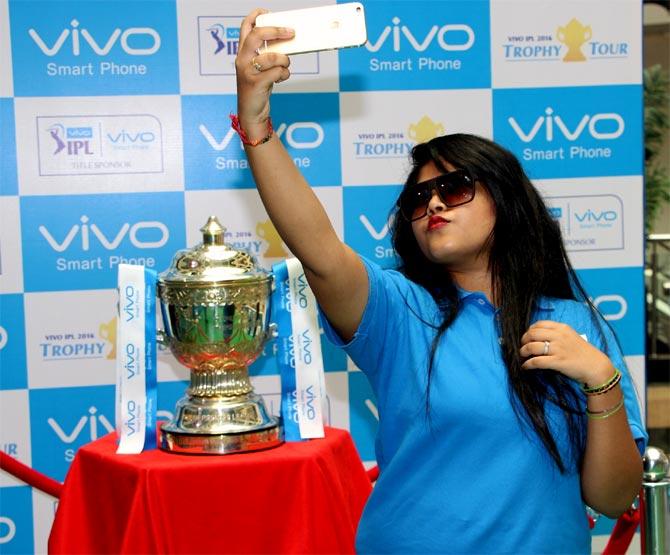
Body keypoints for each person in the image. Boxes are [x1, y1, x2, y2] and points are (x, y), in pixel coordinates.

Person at [233, 9, 647, 554]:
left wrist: (602, 381)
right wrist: (256, 125)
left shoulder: (576, 324)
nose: (431, 203)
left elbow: (614, 498)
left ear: (507, 200)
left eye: (454, 187)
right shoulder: (401, 311)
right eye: (417, 198)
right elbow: (322, 252)